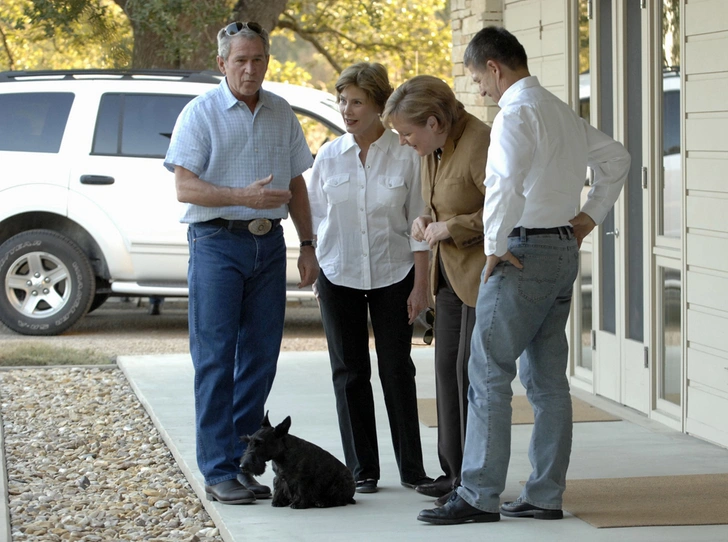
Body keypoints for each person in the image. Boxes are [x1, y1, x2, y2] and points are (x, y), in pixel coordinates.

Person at [418, 26, 629, 525]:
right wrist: (590, 215)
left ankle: (477, 495)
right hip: (559, 249)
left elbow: (505, 183)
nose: (479, 90)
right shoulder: (557, 109)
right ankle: (543, 494)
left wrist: (493, 246)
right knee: (547, 380)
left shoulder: (515, 112)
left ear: (494, 67)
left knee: (487, 371)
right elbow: (616, 157)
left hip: (523, 251)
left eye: (477, 78)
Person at [164, 21, 318, 505]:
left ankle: (243, 461)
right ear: (222, 64)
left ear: (267, 61)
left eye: (258, 60)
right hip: (216, 243)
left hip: (269, 246)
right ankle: (216, 469)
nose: (250, 69)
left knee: (259, 358)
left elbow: (296, 185)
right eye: (240, 60)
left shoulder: (281, 113)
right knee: (214, 359)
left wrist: (308, 244)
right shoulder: (201, 113)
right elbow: (184, 187)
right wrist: (240, 197)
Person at [308, 62, 432, 494]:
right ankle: (362, 470)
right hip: (339, 275)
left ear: (380, 104)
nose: (347, 109)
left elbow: (420, 224)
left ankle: (413, 470)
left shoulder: (406, 156)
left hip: (394, 273)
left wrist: (422, 284)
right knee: (349, 373)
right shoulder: (327, 156)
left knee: (397, 369)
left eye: (357, 101)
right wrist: (320, 270)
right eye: (342, 100)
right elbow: (319, 218)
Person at [382, 75, 490, 501]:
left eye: (407, 134)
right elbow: (436, 202)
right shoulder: (433, 146)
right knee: (446, 374)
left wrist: (453, 227)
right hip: (447, 276)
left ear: (433, 121)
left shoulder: (481, 141)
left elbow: (506, 210)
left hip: (481, 278)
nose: (405, 142)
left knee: (468, 375)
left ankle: (473, 479)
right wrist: (425, 220)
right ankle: (453, 473)